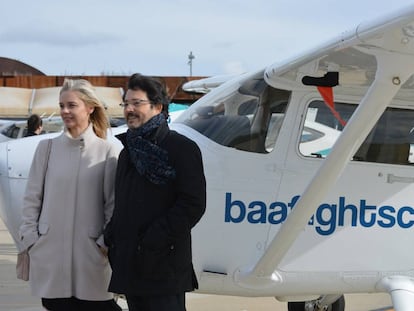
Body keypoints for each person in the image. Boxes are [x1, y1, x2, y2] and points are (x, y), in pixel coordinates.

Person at [104, 73, 206, 311]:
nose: (129, 109)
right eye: (126, 103)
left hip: (164, 267)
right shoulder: (127, 152)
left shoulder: (182, 148)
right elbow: (124, 205)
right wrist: (113, 237)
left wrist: (153, 240)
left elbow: (193, 204)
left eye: (136, 103)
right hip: (131, 266)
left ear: (158, 106)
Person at [19, 79, 121, 311]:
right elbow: (31, 199)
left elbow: (113, 207)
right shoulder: (46, 149)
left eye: (71, 105)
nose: (64, 111)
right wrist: (32, 240)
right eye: (61, 105)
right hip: (51, 258)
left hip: (92, 260)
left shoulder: (108, 151)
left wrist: (104, 243)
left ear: (90, 107)